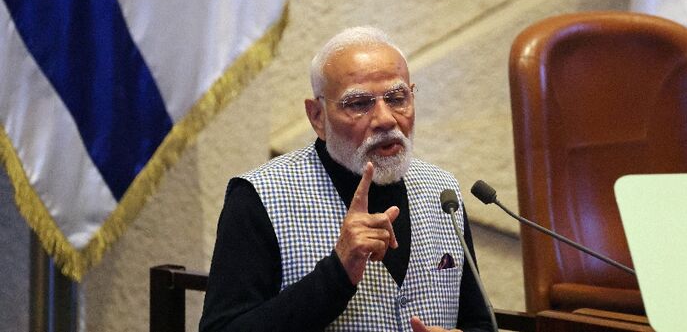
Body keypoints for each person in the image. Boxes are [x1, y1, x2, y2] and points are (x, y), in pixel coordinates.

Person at [200, 26, 493, 332]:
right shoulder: (258, 196)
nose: (385, 119)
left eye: (397, 98)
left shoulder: (442, 192)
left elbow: (479, 323)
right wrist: (338, 272)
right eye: (359, 104)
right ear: (317, 117)